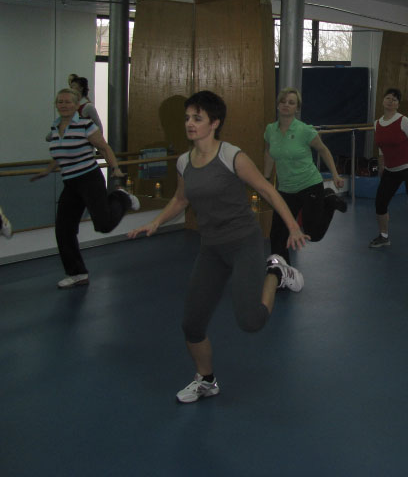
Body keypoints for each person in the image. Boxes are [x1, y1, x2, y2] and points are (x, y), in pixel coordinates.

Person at [128, 91, 308, 404]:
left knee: (251, 321)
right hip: (211, 247)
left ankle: (276, 273)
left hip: (244, 242)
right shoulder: (184, 162)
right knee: (192, 324)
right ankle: (207, 380)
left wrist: (292, 226)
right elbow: (181, 199)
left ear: (214, 123)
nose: (189, 123)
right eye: (187, 117)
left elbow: (267, 190)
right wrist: (155, 222)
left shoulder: (231, 156)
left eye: (197, 118)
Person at [31, 88, 139, 289]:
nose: (64, 105)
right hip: (70, 183)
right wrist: (47, 171)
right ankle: (77, 274)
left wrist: (115, 168)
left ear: (76, 105)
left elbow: (104, 147)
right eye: (60, 102)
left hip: (90, 179)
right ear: (56, 105)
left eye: (68, 102)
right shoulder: (55, 127)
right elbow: (60, 154)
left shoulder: (85, 125)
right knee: (64, 229)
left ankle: (122, 197)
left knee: (103, 225)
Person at [263, 87, 346, 265]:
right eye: (283, 101)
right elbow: (269, 152)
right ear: (277, 105)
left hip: (310, 185)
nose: (286, 105)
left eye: (291, 102)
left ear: (297, 108)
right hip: (286, 189)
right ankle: (282, 272)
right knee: (277, 235)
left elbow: (323, 150)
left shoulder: (305, 130)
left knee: (313, 234)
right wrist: (266, 177)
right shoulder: (270, 130)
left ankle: (329, 202)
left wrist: (335, 175)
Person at [369, 87, 408, 248]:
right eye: (388, 98)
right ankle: (383, 236)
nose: (390, 101)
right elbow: (381, 148)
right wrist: (382, 166)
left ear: (398, 104)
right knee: (380, 203)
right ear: (383, 101)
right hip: (391, 170)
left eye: (394, 99)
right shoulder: (377, 124)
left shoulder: (404, 121)